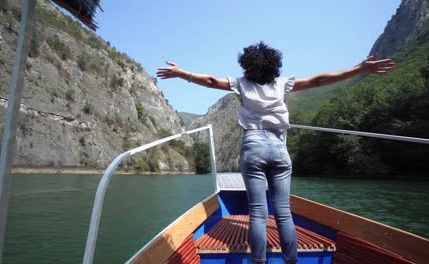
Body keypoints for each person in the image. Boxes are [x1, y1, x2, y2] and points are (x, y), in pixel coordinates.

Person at [156, 42, 395, 264]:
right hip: (280, 148)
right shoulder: (282, 84)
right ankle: (291, 261)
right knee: (283, 212)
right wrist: (358, 70)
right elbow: (320, 80)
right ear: (275, 65)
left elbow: (209, 80)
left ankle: (258, 261)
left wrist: (182, 73)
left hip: (253, 146)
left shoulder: (242, 84)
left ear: (247, 64)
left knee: (258, 213)